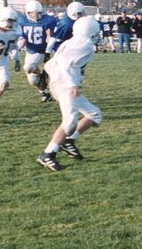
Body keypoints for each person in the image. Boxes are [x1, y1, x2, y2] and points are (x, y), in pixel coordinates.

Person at [37, 16, 104, 171]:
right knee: (70, 121)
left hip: (61, 83)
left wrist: (53, 78)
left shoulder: (70, 42)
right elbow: (64, 64)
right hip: (65, 85)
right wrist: (72, 83)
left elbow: (50, 64)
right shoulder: (85, 45)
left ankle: (68, 141)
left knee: (94, 114)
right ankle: (48, 154)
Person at [19, 0, 58, 102]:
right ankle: (45, 93)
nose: (36, 15)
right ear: (28, 13)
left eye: (38, 13)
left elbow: (50, 34)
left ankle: (43, 75)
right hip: (31, 51)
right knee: (32, 79)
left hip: (44, 50)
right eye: (32, 13)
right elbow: (21, 36)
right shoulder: (22, 21)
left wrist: (49, 38)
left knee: (28, 67)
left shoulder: (48, 20)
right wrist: (20, 42)